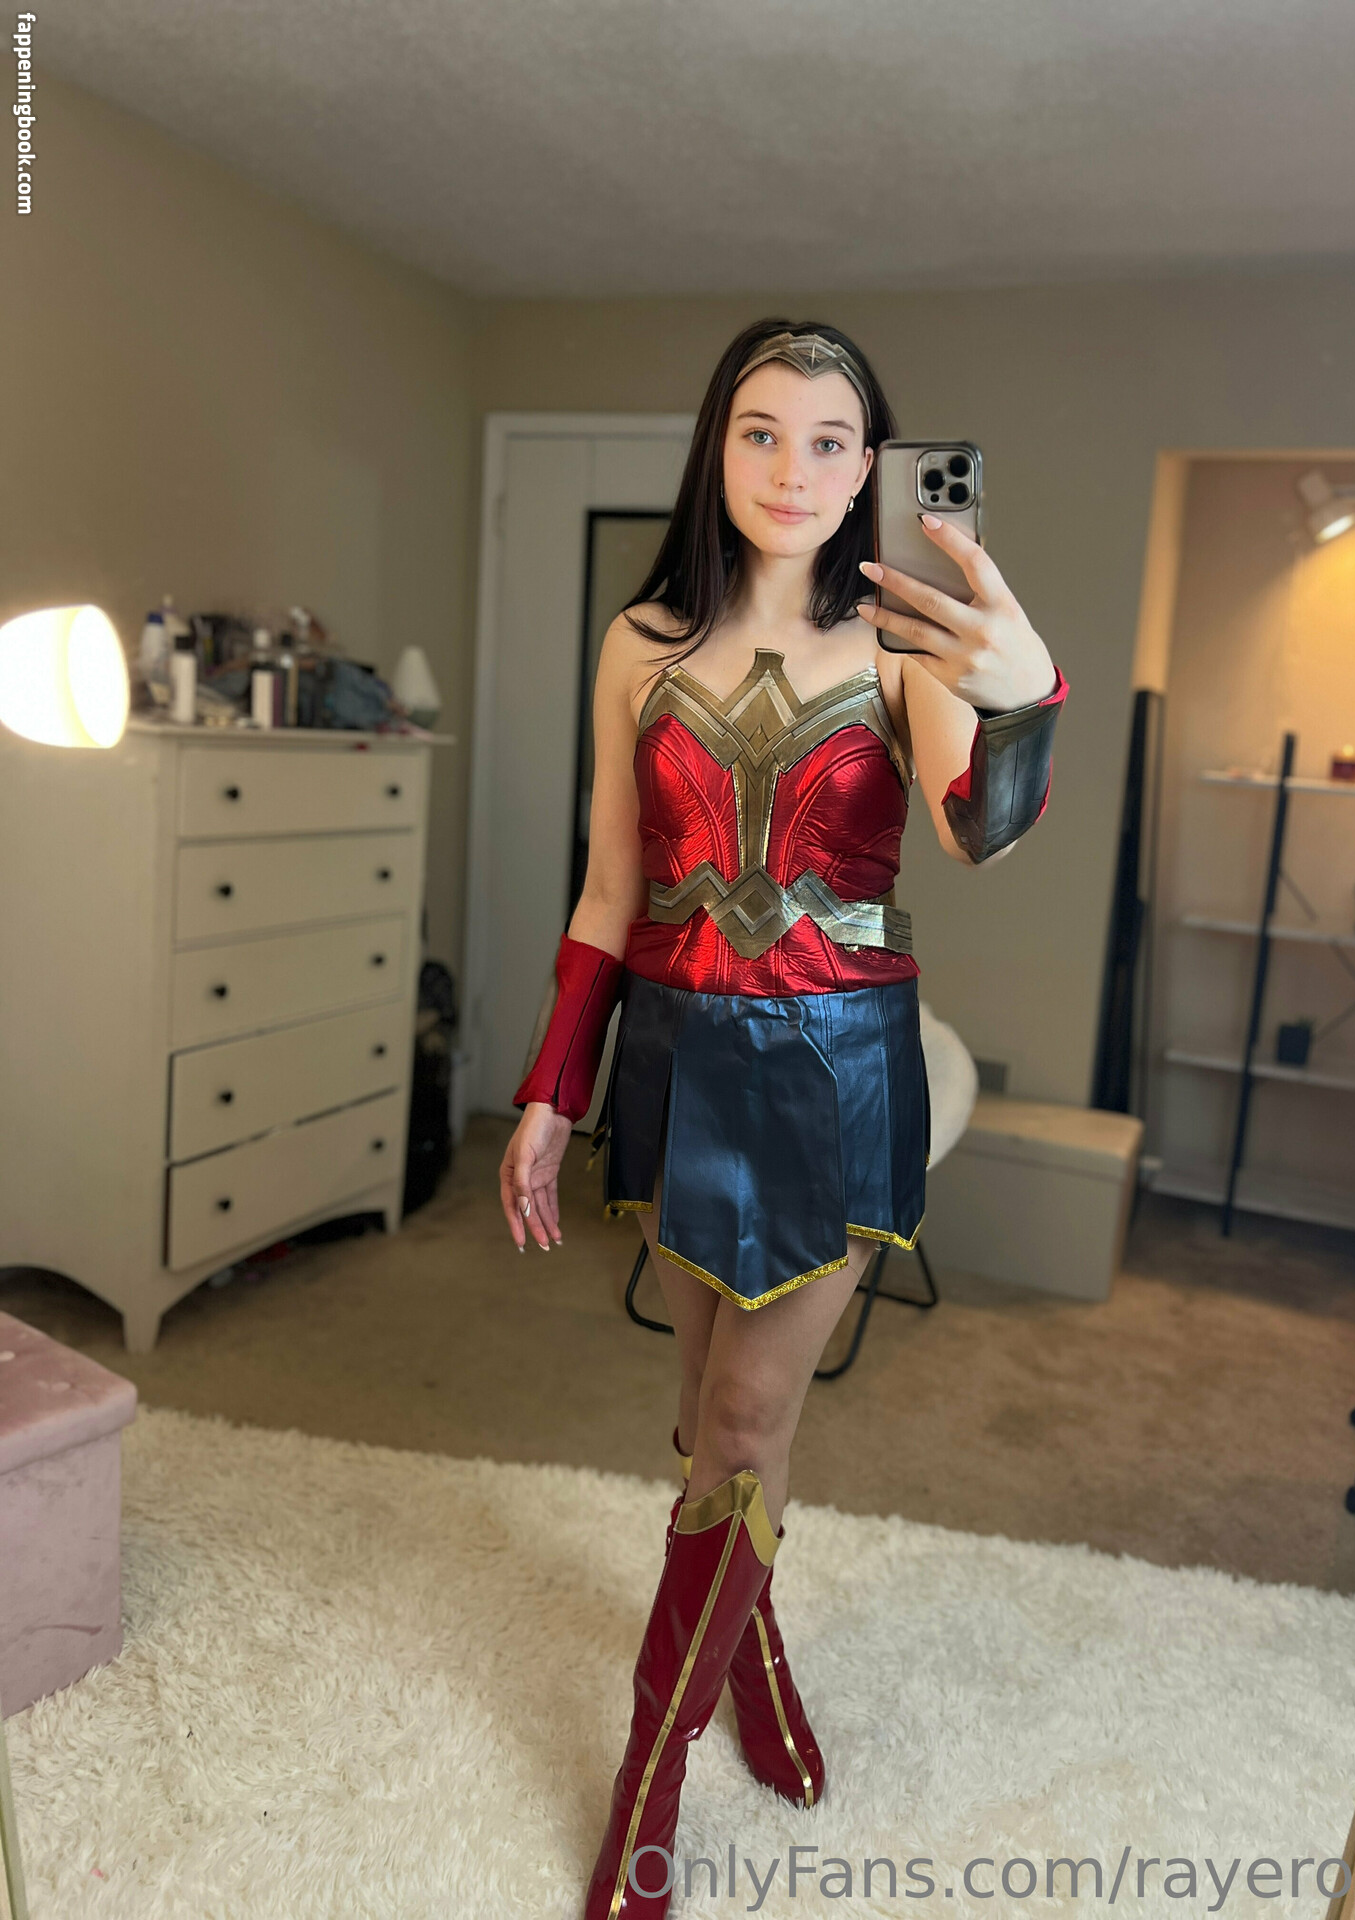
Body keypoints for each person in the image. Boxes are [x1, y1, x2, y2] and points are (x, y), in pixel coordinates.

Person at [499, 318, 1066, 1919]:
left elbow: (979, 836)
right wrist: (551, 1089)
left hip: (836, 1077)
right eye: (763, 431)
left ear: (871, 465)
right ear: (717, 446)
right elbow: (610, 889)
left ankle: (646, 1785)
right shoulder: (641, 639)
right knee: (707, 1429)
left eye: (832, 440)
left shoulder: (907, 640)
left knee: (747, 1426)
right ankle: (752, 1669)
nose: (795, 469)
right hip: (678, 1061)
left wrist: (1023, 696)